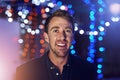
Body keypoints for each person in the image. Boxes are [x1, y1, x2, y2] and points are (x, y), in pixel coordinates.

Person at [16, 9, 97, 80]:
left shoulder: (88, 70)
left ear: (72, 37)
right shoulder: (25, 72)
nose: (62, 37)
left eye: (67, 31)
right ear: (46, 37)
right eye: (55, 31)